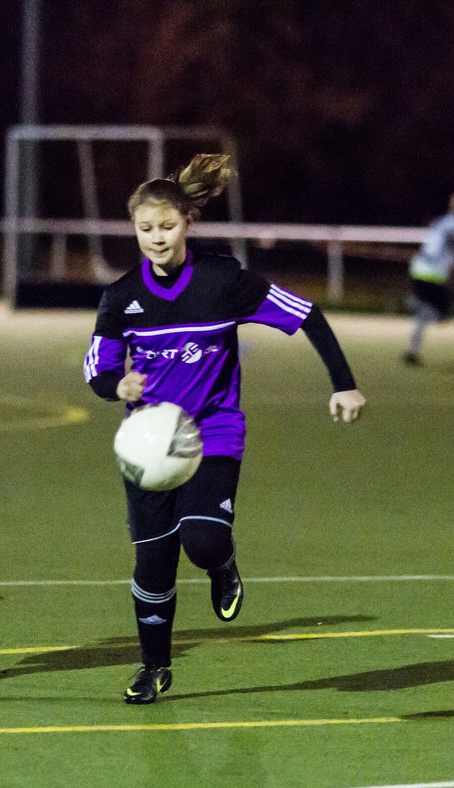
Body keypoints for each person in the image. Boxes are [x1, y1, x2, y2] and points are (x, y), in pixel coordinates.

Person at [83, 154, 367, 704]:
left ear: (188, 222)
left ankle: (222, 563)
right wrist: (116, 387)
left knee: (203, 538)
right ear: (133, 229)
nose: (156, 238)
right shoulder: (121, 298)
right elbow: (97, 367)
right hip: (148, 444)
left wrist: (343, 383)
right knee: (153, 563)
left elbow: (306, 314)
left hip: (213, 430)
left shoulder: (222, 281)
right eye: (145, 229)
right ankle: (153, 667)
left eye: (166, 226)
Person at [404, 191, 454, 366]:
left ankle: (412, 351)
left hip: (419, 268)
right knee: (442, 315)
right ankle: (412, 303)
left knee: (423, 313)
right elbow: (450, 252)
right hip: (432, 273)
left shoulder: (441, 221)